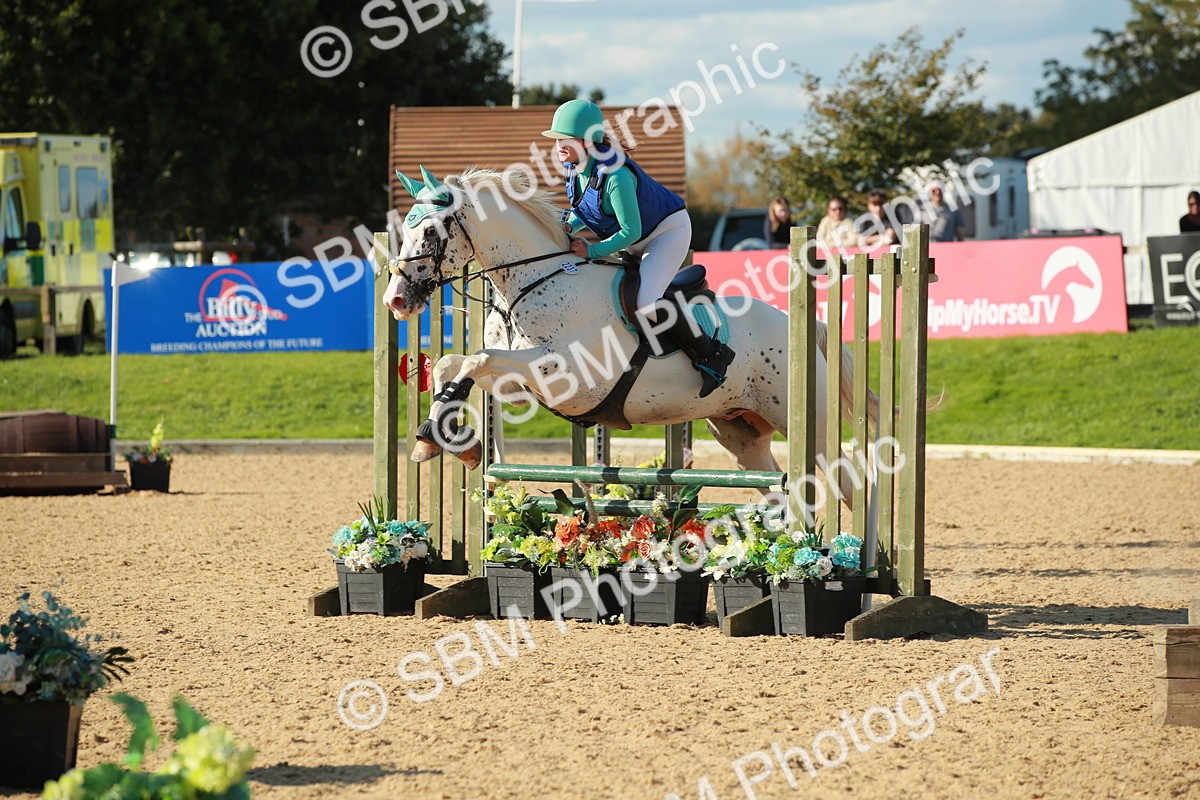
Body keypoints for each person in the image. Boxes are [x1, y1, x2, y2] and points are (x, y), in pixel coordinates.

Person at [542, 99, 734, 398]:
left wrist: (592, 252)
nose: (558, 145)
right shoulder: (575, 169)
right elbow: (587, 209)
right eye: (556, 139)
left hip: (666, 232)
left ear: (587, 140)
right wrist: (571, 226)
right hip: (636, 236)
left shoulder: (616, 175)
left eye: (564, 139)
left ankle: (712, 353)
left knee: (645, 301)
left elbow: (630, 231)